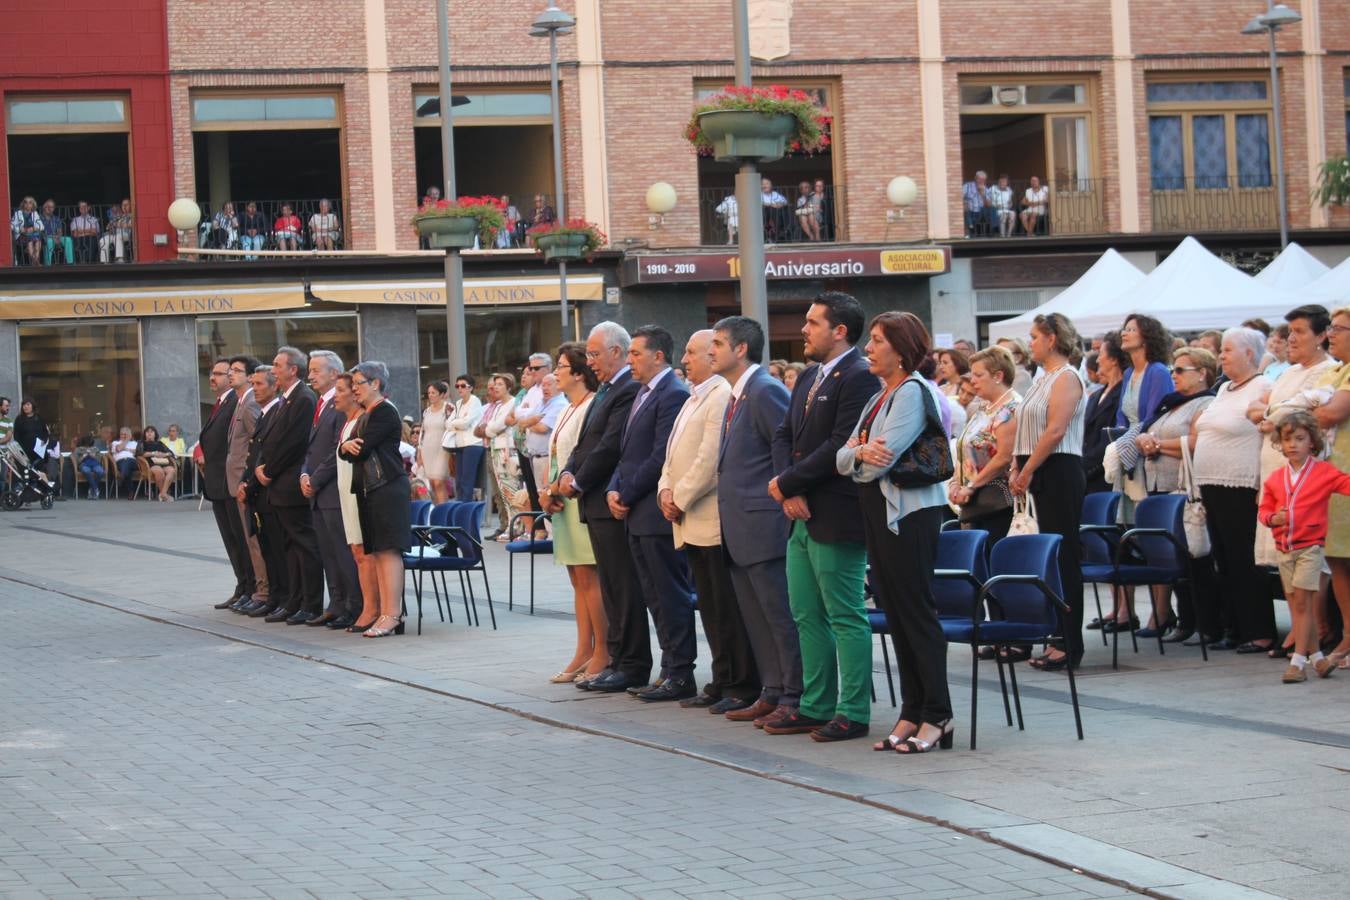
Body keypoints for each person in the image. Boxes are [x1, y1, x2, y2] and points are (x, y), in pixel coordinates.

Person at [838, 311, 953, 752]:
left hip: (908, 516)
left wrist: (858, 456)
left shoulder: (911, 391)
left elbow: (876, 464)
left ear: (901, 348)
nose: (868, 348)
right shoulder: (877, 397)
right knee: (897, 615)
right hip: (879, 515)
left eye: (878, 340)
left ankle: (937, 714)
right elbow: (841, 458)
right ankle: (912, 710)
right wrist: (858, 454)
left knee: (916, 614)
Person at [770, 292, 878, 743]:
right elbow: (784, 433)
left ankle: (852, 711)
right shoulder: (810, 374)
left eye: (813, 323)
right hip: (799, 513)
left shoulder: (860, 376)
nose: (803, 329)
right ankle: (814, 705)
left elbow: (840, 443)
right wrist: (785, 485)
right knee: (805, 613)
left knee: (844, 614)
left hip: (836, 511)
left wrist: (792, 483)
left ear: (840, 331)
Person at [659, 330, 759, 712]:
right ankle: (721, 678)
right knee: (711, 609)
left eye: (691, 352)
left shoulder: (720, 395)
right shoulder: (694, 396)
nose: (684, 359)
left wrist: (679, 498)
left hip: (709, 517)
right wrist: (664, 491)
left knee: (726, 608)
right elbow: (672, 456)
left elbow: (710, 460)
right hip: (687, 518)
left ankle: (739, 684)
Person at [711, 316, 802, 732]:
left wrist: (782, 499)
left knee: (778, 616)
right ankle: (771, 690)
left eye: (717, 343)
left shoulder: (764, 391)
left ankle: (792, 695)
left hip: (764, 527)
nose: (711, 350)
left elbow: (786, 449)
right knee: (757, 617)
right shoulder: (737, 395)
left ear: (741, 348)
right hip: (740, 529)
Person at [557, 322, 647, 694]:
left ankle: (630, 663)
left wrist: (577, 481)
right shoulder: (607, 389)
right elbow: (584, 443)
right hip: (592, 501)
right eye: (588, 354)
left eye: (594, 354)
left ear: (617, 352)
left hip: (610, 498)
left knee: (622, 587)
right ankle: (618, 660)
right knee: (610, 586)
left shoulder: (626, 389)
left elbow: (609, 446)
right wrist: (567, 471)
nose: (590, 361)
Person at [605, 325, 694, 701]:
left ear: (658, 356)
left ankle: (680, 672)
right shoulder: (642, 393)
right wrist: (613, 486)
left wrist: (625, 491)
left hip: (654, 513)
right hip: (635, 511)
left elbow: (661, 455)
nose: (630, 361)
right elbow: (627, 452)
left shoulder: (672, 395)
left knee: (669, 595)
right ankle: (667, 668)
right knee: (653, 596)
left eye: (636, 354)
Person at [1249, 306, 1336, 655]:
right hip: (1276, 475)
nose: (1291, 339)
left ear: (1321, 335)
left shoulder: (1327, 372)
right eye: (1289, 332)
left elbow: (1303, 418)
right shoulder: (1285, 374)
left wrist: (1274, 415)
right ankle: (1300, 629)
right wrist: (1274, 414)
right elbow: (1257, 409)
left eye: (1299, 331)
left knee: (1307, 554)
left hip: (1306, 477)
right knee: (1283, 551)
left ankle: (1313, 630)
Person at [1011, 313, 1088, 671]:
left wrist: (1026, 469)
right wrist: (1017, 463)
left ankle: (1068, 640)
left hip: (1058, 468)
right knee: (1046, 558)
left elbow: (1056, 429)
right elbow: (1027, 427)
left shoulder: (1067, 376)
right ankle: (1053, 631)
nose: (1031, 343)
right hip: (1036, 467)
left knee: (1062, 557)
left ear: (1052, 339)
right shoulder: (1042, 379)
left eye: (1035, 337)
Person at [1190, 327, 1273, 652]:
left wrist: (1263, 485)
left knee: (1244, 561)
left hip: (1241, 484)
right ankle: (1235, 626)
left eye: (1227, 350)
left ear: (1249, 354)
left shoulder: (1263, 385)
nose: (1221, 356)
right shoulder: (1223, 388)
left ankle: (1259, 629)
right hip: (1212, 484)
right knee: (1223, 560)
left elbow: (1265, 435)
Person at [1132, 347, 1218, 642]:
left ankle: (1207, 624)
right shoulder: (1173, 404)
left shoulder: (1204, 404)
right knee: (1174, 560)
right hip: (1159, 486)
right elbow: (1153, 433)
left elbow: (1196, 441)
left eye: (1181, 370)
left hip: (1184, 489)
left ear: (1202, 374)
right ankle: (1184, 621)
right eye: (1173, 369)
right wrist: (1148, 439)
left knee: (1195, 556)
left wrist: (1155, 444)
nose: (1174, 375)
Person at [1258, 412, 1350, 682]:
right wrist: (1273, 518)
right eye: (1287, 439)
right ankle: (1318, 659)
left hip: (1310, 546)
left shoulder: (1323, 472)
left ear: (1313, 442)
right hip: (1284, 548)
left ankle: (1298, 663)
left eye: (1300, 439)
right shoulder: (1276, 478)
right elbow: (1264, 510)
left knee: (1301, 603)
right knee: (1299, 605)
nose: (1292, 445)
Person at [539, 343, 609, 682]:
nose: (556, 372)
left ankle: (602, 651)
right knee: (576, 579)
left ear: (579, 373)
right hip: (561, 501)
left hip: (580, 499)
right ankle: (583, 649)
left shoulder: (590, 407)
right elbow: (557, 456)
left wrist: (557, 488)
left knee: (589, 577)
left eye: (562, 366)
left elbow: (583, 458)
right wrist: (546, 491)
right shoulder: (568, 408)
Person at [339, 361, 411, 638]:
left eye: (358, 383)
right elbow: (346, 450)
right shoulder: (366, 414)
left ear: (375, 384)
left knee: (388, 550)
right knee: (377, 551)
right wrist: (346, 446)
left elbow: (359, 449)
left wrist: (348, 447)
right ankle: (384, 612)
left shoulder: (383, 412)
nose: (354, 389)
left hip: (387, 486)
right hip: (371, 488)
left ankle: (392, 614)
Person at [257, 347, 324, 625]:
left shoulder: (303, 398)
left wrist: (269, 470)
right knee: (289, 546)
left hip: (290, 483)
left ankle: (311, 603)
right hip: (279, 485)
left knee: (304, 546)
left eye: (277, 365)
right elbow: (270, 438)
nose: (273, 370)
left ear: (292, 369)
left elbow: (294, 442)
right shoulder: (287, 398)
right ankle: (294, 601)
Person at [301, 350, 362, 630]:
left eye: (316, 370)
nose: (310, 375)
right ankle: (336, 603)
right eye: (310, 370)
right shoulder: (321, 404)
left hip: (332, 491)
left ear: (334, 373)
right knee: (328, 552)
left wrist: (315, 479)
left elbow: (334, 451)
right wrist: (304, 473)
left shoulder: (339, 407)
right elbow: (312, 449)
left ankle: (352, 606)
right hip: (317, 491)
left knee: (341, 551)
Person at [950, 346, 1021, 544]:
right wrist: (956, 483)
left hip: (996, 503)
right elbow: (964, 446)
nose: (972, 381)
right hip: (974, 501)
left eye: (978, 375)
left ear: (998, 376)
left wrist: (971, 486)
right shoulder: (983, 407)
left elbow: (1004, 457)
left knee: (990, 558)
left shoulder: (1011, 408)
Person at [201, 358, 254, 610]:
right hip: (217, 484)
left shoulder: (237, 402)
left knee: (241, 540)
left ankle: (250, 587)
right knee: (231, 540)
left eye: (221, 373)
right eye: (213, 373)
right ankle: (241, 585)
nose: (214, 378)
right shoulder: (221, 403)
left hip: (229, 482)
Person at [1313, 307, 1350, 668]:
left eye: (1338, 328)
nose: (1331, 334)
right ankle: (1348, 636)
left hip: (1348, 473)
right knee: (1337, 558)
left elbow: (1330, 413)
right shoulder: (1334, 370)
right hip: (1330, 475)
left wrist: (1296, 411)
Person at [238, 366, 290, 618]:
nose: (254, 388)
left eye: (259, 384)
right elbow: (253, 454)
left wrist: (253, 482)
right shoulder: (264, 414)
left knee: (277, 550)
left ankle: (282, 596)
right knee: (268, 548)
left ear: (274, 386)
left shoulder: (275, 412)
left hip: (269, 489)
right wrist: (245, 482)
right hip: (256, 489)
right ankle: (275, 596)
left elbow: (268, 455)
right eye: (253, 384)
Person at [224, 357, 273, 616]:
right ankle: (256, 589)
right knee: (247, 540)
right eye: (229, 370)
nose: (231, 375)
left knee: (254, 541)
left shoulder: (251, 402)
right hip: (237, 481)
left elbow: (259, 442)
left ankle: (263, 591)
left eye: (237, 371)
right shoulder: (240, 401)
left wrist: (248, 478)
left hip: (247, 481)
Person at [476, 373, 519, 540]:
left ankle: (516, 525)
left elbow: (497, 426)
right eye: (495, 384)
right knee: (502, 491)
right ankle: (509, 524)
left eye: (500, 384)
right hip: (495, 448)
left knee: (511, 489)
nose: (495, 387)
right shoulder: (498, 406)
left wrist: (490, 429)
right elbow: (484, 427)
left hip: (508, 450)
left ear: (508, 386)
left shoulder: (514, 403)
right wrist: (490, 429)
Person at [1082, 332, 1125, 495]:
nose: (1097, 359)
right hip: (1087, 476)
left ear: (1113, 359)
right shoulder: (1095, 396)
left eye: (1101, 354)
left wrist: (1085, 467)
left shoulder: (1123, 393)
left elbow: (1112, 436)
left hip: (1104, 478)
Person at [445, 374, 483, 494]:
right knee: (459, 481)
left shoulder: (475, 401)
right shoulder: (458, 403)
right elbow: (447, 423)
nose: (459, 388)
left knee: (467, 481)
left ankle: (466, 509)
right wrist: (458, 423)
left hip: (473, 444)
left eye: (463, 386)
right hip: (460, 444)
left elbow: (466, 423)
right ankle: (461, 507)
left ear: (470, 388)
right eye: (457, 386)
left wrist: (455, 423)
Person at [419, 380, 452, 504]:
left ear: (441, 394)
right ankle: (437, 511)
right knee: (432, 483)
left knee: (439, 481)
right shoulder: (426, 411)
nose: (431, 395)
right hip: (427, 449)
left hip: (442, 449)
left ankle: (444, 514)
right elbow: (422, 432)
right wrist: (419, 451)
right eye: (429, 393)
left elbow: (452, 429)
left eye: (434, 392)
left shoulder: (449, 408)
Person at [139, 426, 177, 502]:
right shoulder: (142, 443)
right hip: (150, 464)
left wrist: (163, 454)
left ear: (155, 434)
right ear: (145, 434)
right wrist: (153, 453)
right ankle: (164, 494)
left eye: (151, 432)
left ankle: (163, 494)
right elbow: (139, 453)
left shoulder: (159, 443)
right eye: (147, 432)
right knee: (159, 471)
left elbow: (170, 453)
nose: (149, 434)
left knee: (171, 470)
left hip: (162, 462)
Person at [39, 199, 73, 266]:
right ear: (44, 207)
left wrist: (58, 237)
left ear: (54, 209)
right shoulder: (39, 218)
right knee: (49, 241)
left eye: (51, 207)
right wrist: (53, 237)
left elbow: (59, 231)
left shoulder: (56, 218)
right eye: (47, 206)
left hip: (56, 237)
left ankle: (70, 263)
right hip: (44, 238)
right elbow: (40, 232)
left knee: (68, 239)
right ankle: (47, 264)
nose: (49, 209)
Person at [11, 196, 43, 265]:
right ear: (23, 204)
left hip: (33, 235)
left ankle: (35, 260)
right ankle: (35, 261)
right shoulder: (18, 213)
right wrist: (20, 229)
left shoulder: (35, 213)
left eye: (30, 202)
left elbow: (42, 226)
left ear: (33, 205)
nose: (28, 204)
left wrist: (33, 228)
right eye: (25, 202)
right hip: (21, 236)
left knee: (38, 241)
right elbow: (11, 225)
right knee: (31, 240)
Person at [100, 198, 133, 263]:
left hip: (127, 234)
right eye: (123, 205)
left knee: (118, 237)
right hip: (116, 234)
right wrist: (111, 226)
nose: (124, 207)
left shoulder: (132, 215)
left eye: (126, 205)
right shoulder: (120, 216)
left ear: (130, 205)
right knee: (103, 239)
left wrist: (117, 224)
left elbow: (129, 225)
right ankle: (104, 261)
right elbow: (108, 227)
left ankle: (120, 258)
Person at [73, 434, 105, 499]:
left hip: (95, 464)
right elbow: (76, 460)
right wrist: (84, 456)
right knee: (86, 471)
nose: (87, 447)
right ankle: (95, 489)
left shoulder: (95, 449)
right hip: (84, 464)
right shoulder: (78, 449)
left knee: (100, 471)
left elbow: (99, 460)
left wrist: (93, 455)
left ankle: (92, 489)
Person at [110, 425, 138, 498]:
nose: (123, 436)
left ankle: (121, 477)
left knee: (127, 462)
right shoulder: (115, 443)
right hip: (119, 463)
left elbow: (136, 453)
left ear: (130, 434)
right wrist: (127, 441)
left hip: (133, 462)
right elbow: (118, 449)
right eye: (122, 434)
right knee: (126, 468)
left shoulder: (135, 443)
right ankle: (130, 491)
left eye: (125, 434)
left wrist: (125, 448)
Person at [961, 170, 991, 237]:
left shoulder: (986, 189)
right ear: (975, 178)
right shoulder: (967, 186)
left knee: (986, 212)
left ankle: (971, 228)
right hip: (969, 209)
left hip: (980, 211)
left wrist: (983, 194)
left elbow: (988, 205)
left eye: (983, 180)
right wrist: (964, 202)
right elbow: (960, 197)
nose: (981, 181)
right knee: (967, 211)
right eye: (979, 179)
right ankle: (971, 228)